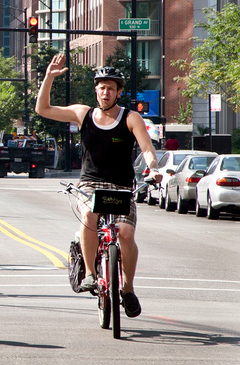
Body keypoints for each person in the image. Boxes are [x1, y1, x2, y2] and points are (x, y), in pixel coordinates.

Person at [35, 55, 163, 319]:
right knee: (89, 215)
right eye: (102, 87)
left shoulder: (131, 118)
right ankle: (92, 275)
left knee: (125, 234)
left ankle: (127, 289)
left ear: (118, 92)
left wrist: (153, 168)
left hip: (121, 186)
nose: (106, 92)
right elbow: (43, 109)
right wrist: (49, 76)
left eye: (111, 88)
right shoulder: (83, 114)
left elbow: (147, 149)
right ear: (96, 90)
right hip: (91, 184)